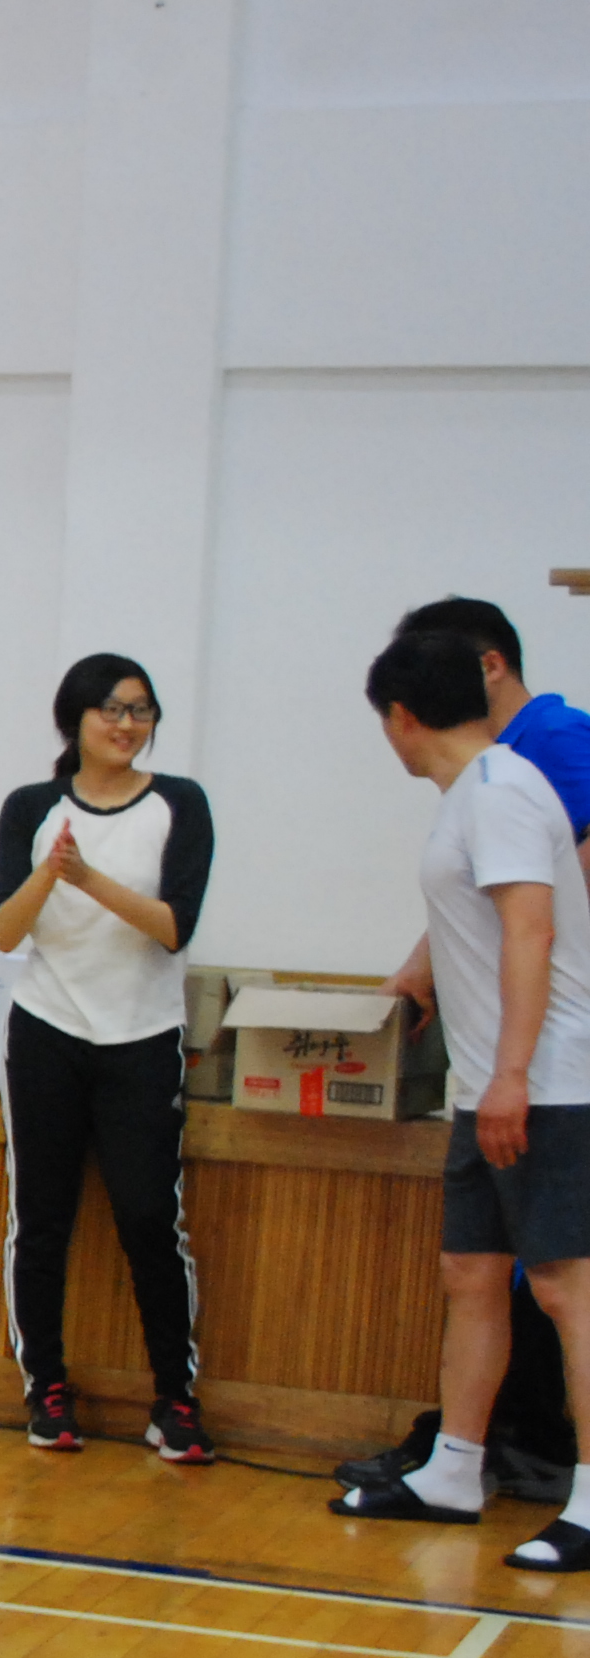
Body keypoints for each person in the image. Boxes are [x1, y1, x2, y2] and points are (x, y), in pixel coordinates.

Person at [334, 629, 590, 1572]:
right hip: (488, 1084)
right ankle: (453, 1469)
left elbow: (532, 932)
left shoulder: (504, 792)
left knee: (565, 1288)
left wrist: (515, 1075)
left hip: (549, 1083)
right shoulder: (470, 797)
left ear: (401, 718)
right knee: (472, 1273)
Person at [0, 653, 217, 1461]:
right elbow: (4, 933)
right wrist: (49, 875)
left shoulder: (180, 803)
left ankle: (175, 1399)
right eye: (111, 709)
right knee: (41, 1220)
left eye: (141, 710)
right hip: (46, 1032)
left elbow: (173, 927)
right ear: (75, 719)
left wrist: (86, 878)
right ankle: (46, 1389)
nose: (127, 724)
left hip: (143, 1038)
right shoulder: (32, 808)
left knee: (150, 1218)